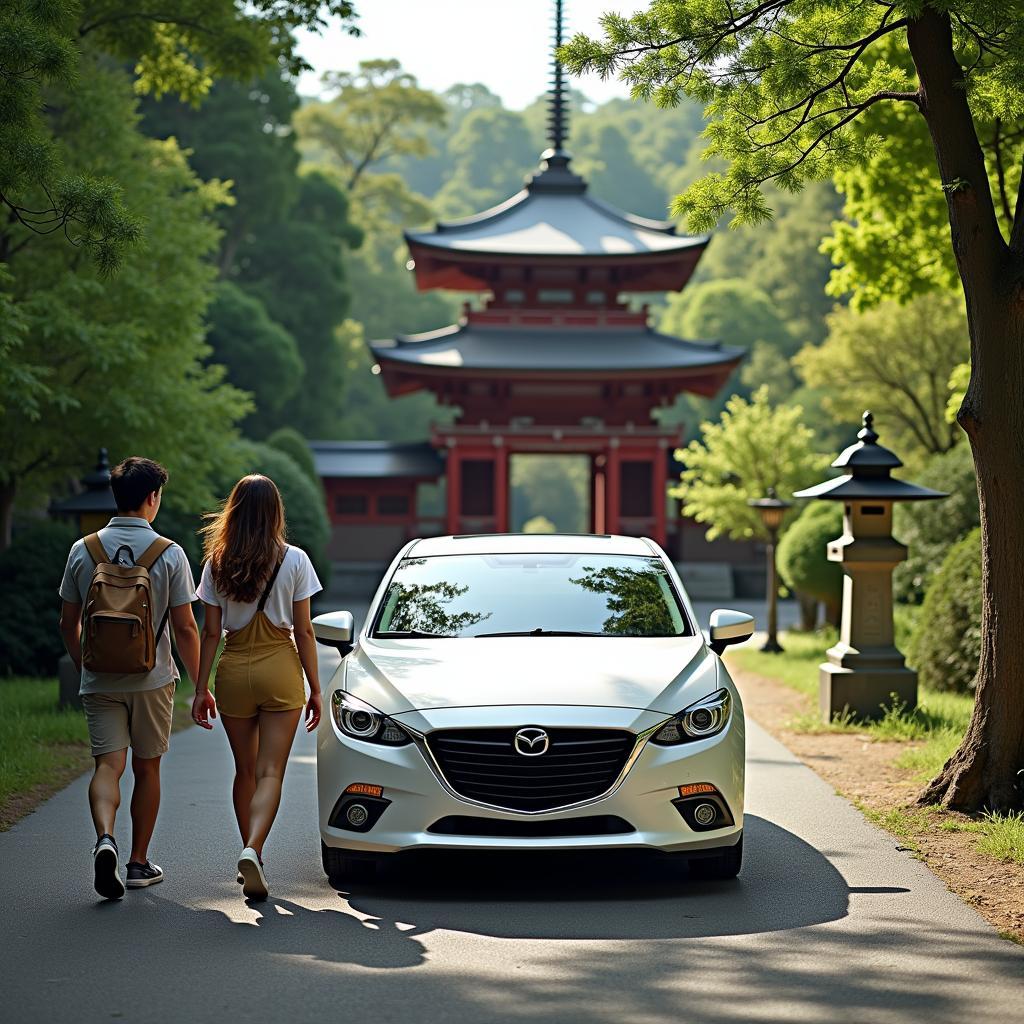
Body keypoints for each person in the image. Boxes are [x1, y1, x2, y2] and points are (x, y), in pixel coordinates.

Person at [59, 456, 200, 900]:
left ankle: (105, 838)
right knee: (147, 767)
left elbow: (68, 622)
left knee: (107, 766)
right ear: (152, 498)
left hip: (100, 680)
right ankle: (138, 863)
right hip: (153, 680)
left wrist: (86, 668)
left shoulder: (84, 550)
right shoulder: (169, 553)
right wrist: (202, 686)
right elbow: (185, 628)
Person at [192, 474, 322, 901]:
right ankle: (253, 849)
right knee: (270, 772)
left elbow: (210, 633)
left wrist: (200, 688)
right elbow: (303, 630)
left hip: (233, 670)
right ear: (275, 513)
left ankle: (253, 853)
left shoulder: (216, 561)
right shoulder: (296, 560)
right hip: (279, 668)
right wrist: (316, 688)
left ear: (234, 510)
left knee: (244, 770)